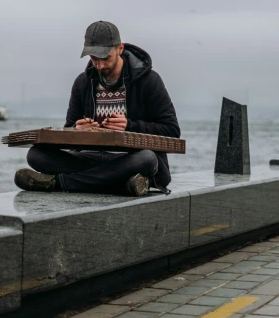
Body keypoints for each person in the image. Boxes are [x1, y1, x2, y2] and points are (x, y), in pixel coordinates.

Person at [14, 20, 180, 197]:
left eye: (105, 58)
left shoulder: (149, 81)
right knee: (36, 155)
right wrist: (76, 131)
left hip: (132, 159)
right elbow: (69, 129)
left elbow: (172, 131)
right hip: (93, 159)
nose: (99, 65)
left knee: (147, 158)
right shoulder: (82, 83)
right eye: (94, 59)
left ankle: (59, 183)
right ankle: (122, 183)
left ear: (120, 48)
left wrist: (129, 126)